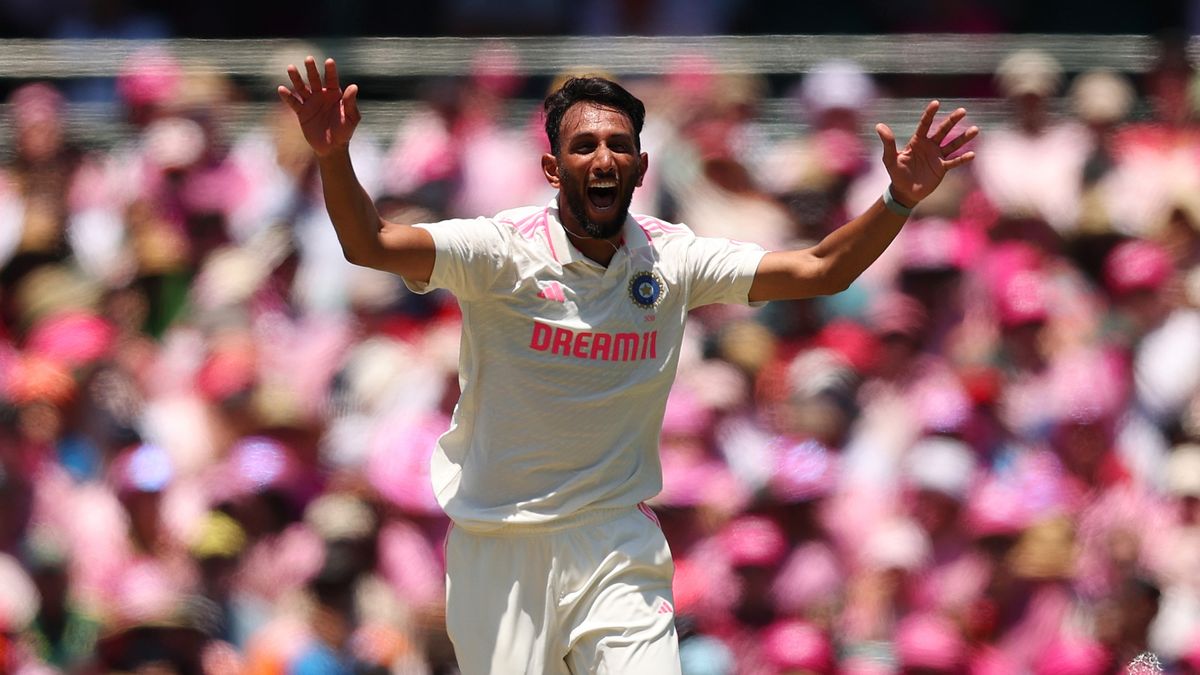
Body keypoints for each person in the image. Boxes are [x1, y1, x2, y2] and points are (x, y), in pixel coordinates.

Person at [277, 56, 978, 674]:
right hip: (501, 543)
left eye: (620, 145)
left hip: (616, 539)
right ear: (554, 168)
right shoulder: (500, 252)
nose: (605, 158)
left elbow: (822, 268)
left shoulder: (672, 258)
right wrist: (333, 155)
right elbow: (370, 243)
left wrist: (899, 199)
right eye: (584, 146)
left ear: (643, 166)